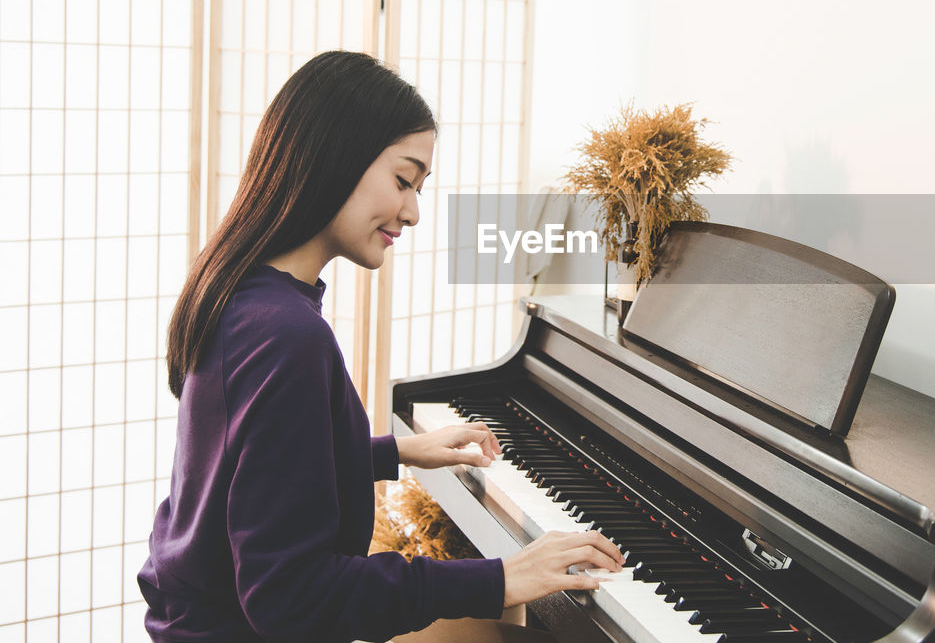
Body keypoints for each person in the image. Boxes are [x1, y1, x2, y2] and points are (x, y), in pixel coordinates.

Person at [138, 51, 624, 642]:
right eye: (403, 180)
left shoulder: (241, 292)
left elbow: (253, 470)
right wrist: (502, 578)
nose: (413, 212)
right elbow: (293, 599)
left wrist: (397, 452)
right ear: (333, 155)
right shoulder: (286, 335)